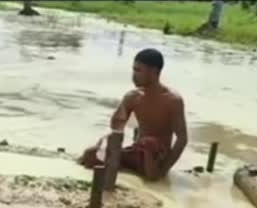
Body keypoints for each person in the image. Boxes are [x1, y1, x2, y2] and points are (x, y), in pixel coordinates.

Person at [77, 49, 188, 181]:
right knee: (90, 154)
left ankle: (151, 175)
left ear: (154, 72)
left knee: (149, 143)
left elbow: (182, 138)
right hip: (136, 151)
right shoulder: (133, 96)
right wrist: (102, 145)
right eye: (133, 70)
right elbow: (116, 127)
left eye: (138, 71)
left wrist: (165, 169)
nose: (134, 75)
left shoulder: (173, 100)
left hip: (156, 156)